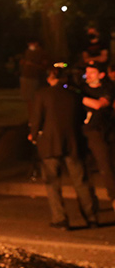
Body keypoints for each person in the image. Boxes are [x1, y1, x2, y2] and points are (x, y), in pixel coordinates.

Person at [28, 66, 98, 230]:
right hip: (73, 142)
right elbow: (81, 117)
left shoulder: (42, 94)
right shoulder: (74, 94)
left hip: (50, 143)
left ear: (49, 78)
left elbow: (37, 118)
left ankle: (60, 218)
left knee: (52, 182)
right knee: (81, 181)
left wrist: (33, 135)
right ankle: (91, 217)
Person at [79, 62, 115, 213]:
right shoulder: (82, 88)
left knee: (106, 166)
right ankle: (90, 203)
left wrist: (79, 98)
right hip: (84, 132)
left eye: (92, 72)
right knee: (84, 169)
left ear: (101, 75)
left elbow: (100, 104)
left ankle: (113, 198)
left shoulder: (108, 88)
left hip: (102, 131)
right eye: (87, 72)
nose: (88, 75)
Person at [19, 39, 49, 117]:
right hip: (26, 77)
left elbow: (44, 66)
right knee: (28, 100)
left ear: (36, 43)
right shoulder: (27, 52)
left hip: (34, 78)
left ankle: (36, 117)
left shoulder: (42, 53)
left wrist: (32, 64)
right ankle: (31, 118)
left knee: (34, 100)